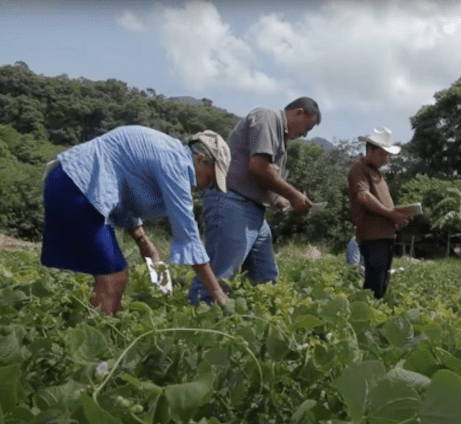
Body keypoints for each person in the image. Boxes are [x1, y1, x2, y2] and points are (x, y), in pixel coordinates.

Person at [40, 126, 231, 315]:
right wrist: (217, 293)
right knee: (114, 277)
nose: (206, 186)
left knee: (109, 274)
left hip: (65, 181)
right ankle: (100, 337)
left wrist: (141, 238)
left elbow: (124, 194)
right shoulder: (178, 164)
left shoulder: (167, 150)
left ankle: (90, 329)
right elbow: (189, 236)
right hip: (80, 187)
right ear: (200, 159)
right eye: (211, 179)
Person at [188, 97, 321, 305]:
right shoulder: (267, 118)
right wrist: (295, 195)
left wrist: (279, 200)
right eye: (307, 127)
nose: (304, 134)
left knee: (265, 278)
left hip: (253, 210)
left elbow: (266, 179)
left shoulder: (281, 141)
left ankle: (262, 325)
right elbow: (259, 168)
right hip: (232, 201)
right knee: (219, 275)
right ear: (299, 112)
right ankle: (194, 323)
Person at [348, 127, 412, 299]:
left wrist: (396, 218)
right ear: (371, 150)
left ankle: (375, 314)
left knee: (383, 281)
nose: (387, 159)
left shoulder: (377, 174)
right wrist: (391, 214)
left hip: (386, 235)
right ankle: (366, 315)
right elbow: (363, 196)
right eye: (384, 154)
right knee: (374, 283)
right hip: (372, 236)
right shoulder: (358, 170)